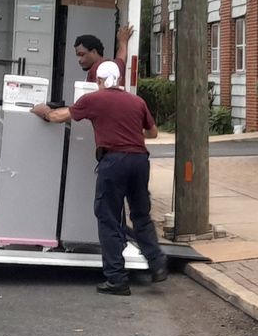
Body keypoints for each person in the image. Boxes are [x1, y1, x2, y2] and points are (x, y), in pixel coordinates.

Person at [31, 83, 166, 295]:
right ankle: (157, 264)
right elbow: (153, 133)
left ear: (102, 80)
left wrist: (43, 111)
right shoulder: (137, 101)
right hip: (140, 160)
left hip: (114, 162)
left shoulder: (93, 99)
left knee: (108, 217)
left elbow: (59, 117)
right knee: (141, 214)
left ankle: (117, 280)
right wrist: (128, 130)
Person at [71, 23, 136, 91]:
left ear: (94, 52)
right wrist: (123, 42)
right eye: (78, 56)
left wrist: (123, 42)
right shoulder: (114, 66)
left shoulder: (96, 68)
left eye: (82, 54)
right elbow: (121, 59)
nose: (79, 59)